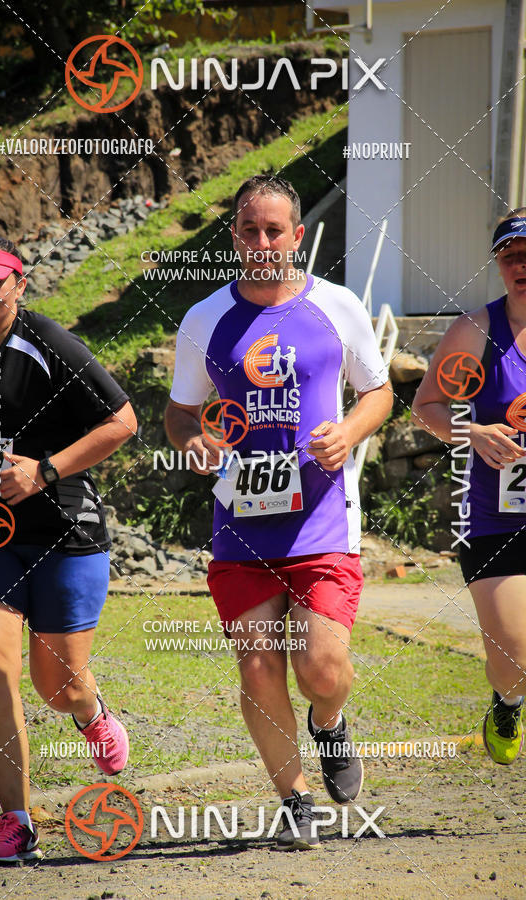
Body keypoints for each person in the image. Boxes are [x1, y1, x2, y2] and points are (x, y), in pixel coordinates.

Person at [165, 175, 392, 849]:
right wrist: (194, 441)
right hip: (241, 525)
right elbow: (179, 413)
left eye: (274, 230)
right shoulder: (205, 318)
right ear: (233, 236)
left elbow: (378, 393)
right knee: (259, 665)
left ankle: (330, 720)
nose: (262, 242)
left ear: (297, 236)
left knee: (320, 667)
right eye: (249, 229)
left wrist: (349, 433)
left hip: (322, 519)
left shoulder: (338, 305)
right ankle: (294, 798)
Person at [0, 234, 137, 864]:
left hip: (64, 533)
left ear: (20, 283)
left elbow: (122, 421)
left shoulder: (51, 345)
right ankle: (15, 820)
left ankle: (90, 711)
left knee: (58, 684)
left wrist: (44, 471)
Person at [413, 209, 526, 766]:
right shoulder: (478, 332)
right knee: (514, 659)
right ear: (500, 266)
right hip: (497, 519)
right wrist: (474, 430)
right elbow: (426, 407)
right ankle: (507, 701)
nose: (521, 266)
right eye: (511, 257)